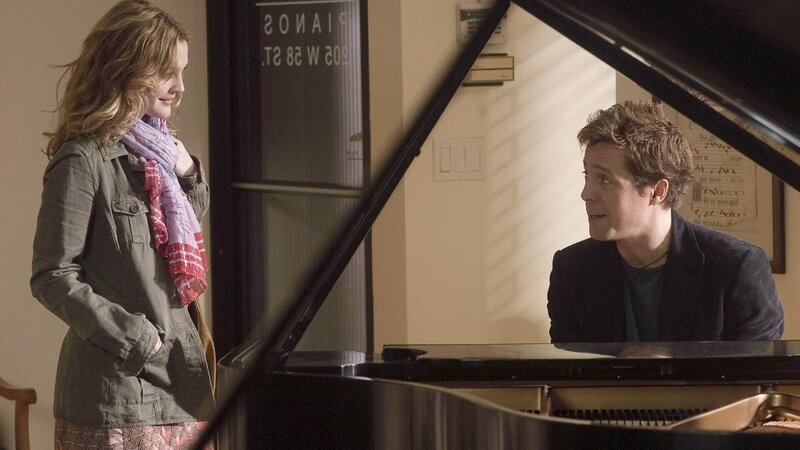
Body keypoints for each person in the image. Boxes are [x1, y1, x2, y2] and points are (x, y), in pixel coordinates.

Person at [30, 1, 215, 448]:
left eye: (182, 71)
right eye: (167, 73)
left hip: (181, 390)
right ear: (128, 70)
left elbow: (173, 242)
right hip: (116, 398)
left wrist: (188, 171)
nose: (179, 87)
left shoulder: (161, 155)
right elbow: (52, 276)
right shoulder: (82, 160)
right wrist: (139, 340)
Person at [547, 101, 784, 343]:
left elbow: (756, 367)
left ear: (658, 191)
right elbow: (568, 365)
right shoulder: (572, 270)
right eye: (587, 175)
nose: (586, 194)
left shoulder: (736, 268)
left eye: (604, 179)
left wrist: (668, 364)